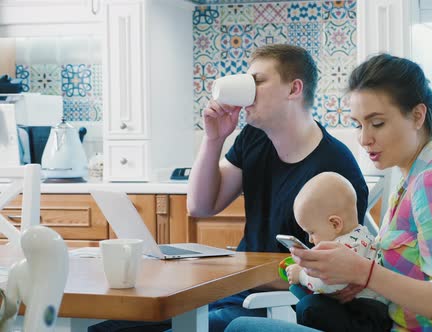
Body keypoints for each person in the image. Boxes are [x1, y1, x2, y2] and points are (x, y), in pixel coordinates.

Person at [89, 44, 368, 332]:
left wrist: (231, 273)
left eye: (258, 81)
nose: (247, 89)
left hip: (271, 304)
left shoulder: (334, 171)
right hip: (230, 290)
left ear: (294, 89)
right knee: (105, 327)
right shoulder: (254, 139)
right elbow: (201, 205)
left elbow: (334, 275)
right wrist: (214, 139)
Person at [226, 54, 432, 332]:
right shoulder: (417, 176)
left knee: (239, 328)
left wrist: (364, 273)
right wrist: (356, 278)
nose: (364, 138)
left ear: (418, 115)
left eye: (377, 123)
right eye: (358, 124)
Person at [286, 171, 391, 332]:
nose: (310, 240)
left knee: (309, 308)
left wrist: (301, 275)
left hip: (365, 315)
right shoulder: (362, 235)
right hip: (371, 313)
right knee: (305, 299)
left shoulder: (343, 249)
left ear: (335, 224)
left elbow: (328, 282)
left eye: (312, 232)